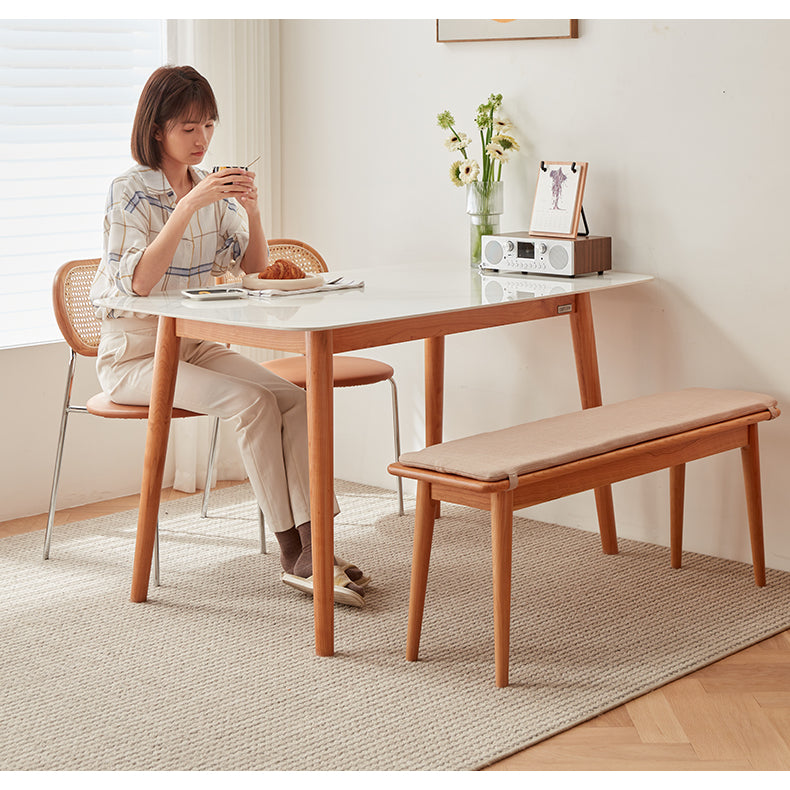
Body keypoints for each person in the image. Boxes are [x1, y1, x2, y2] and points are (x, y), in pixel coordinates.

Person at [90, 65, 368, 606]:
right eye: (188, 127)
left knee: (293, 398)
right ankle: (292, 552)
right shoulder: (130, 191)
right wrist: (188, 205)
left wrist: (252, 211)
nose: (202, 138)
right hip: (134, 356)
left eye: (209, 125)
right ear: (157, 130)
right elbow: (141, 282)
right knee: (252, 403)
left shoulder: (212, 191)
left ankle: (316, 544)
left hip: (194, 343)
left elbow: (256, 267)